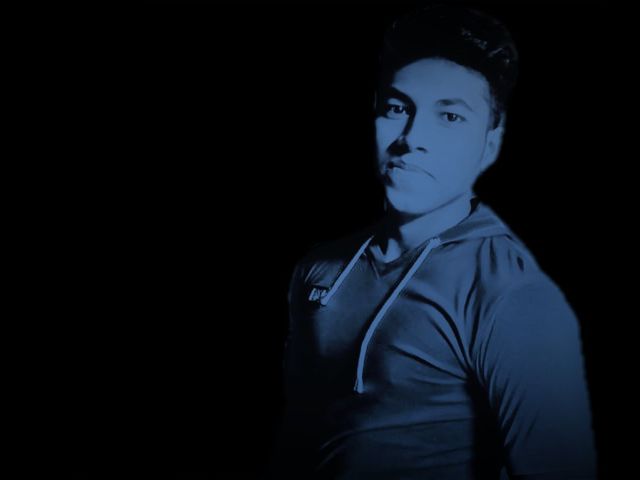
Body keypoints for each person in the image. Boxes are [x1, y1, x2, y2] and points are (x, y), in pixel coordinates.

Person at [267, 4, 598, 479]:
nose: (411, 138)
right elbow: (296, 437)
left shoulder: (510, 293)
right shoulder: (320, 269)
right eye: (398, 108)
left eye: (450, 116)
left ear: (490, 144)